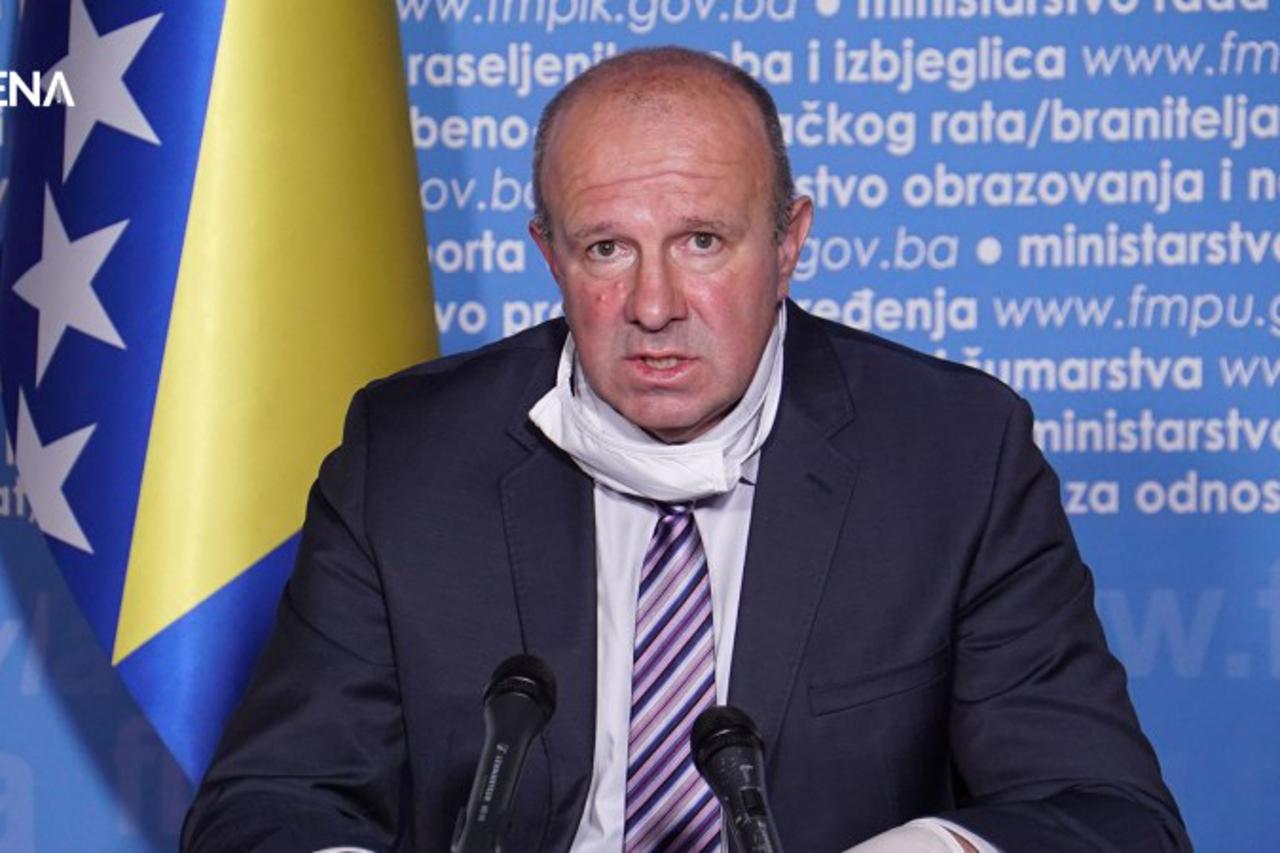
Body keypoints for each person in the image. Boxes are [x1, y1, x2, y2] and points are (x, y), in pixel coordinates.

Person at [183, 47, 1191, 852]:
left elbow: (1105, 814)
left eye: (702, 241)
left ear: (788, 242)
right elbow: (266, 803)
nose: (654, 305)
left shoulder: (951, 456)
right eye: (606, 248)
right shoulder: (408, 456)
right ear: (547, 253)